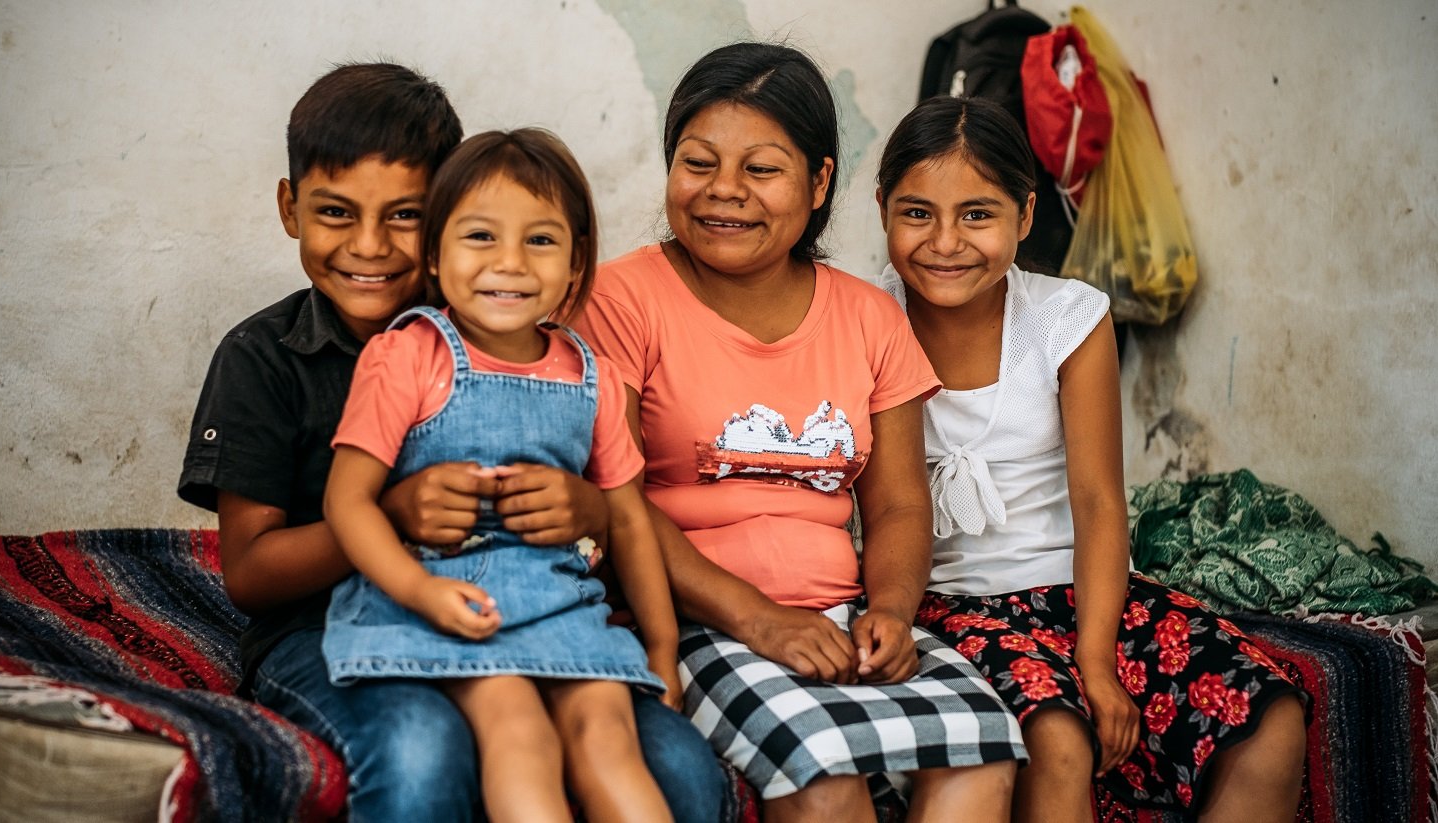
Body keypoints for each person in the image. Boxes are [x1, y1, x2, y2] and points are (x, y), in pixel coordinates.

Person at [177, 63, 724, 822]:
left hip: (523, 609)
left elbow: (618, 508)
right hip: (319, 626)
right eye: (336, 212)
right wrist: (394, 515)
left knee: (681, 774)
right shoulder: (265, 356)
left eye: (402, 216)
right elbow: (250, 572)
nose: (369, 246)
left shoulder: (530, 340)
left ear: (438, 218)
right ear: (290, 206)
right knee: (423, 750)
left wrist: (585, 509)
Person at [575, 42, 1026, 823]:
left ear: (819, 182)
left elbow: (898, 508)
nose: (724, 192)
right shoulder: (621, 299)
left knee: (983, 750)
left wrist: (889, 608)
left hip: (839, 618)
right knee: (824, 778)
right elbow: (616, 499)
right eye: (699, 162)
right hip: (697, 617)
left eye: (761, 169)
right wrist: (758, 618)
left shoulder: (868, 317)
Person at [873, 94, 1307, 822]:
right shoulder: (863, 318)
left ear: (1026, 215)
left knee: (1269, 715)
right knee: (1058, 737)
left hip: (1079, 592)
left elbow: (1100, 502)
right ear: (882, 206)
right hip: (945, 605)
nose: (945, 240)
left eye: (977, 214)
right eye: (917, 213)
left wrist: (1096, 660)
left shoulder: (1067, 318)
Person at [322, 128, 677, 823]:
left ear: (578, 262)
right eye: (481, 236)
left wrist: (662, 647)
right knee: (519, 730)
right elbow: (348, 501)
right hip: (446, 602)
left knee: (609, 737)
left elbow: (628, 518)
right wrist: (421, 590)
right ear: (434, 253)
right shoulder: (407, 355)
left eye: (541, 241)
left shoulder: (594, 378)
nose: (510, 264)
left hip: (559, 602)